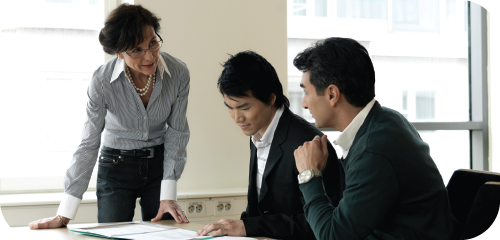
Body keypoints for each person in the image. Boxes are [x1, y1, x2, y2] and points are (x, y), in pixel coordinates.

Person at [29, 4, 190, 229]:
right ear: (119, 52)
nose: (150, 55)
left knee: (164, 233)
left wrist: (169, 195)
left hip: (159, 166)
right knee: (114, 234)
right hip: (116, 167)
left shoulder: (179, 73)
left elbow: (177, 133)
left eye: (152, 42)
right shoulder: (102, 82)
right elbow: (89, 142)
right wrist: (64, 214)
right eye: (137, 49)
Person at [293, 37, 457, 239]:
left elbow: (332, 236)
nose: (304, 104)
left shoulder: (373, 149)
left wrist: (309, 175)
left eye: (306, 92)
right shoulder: (386, 120)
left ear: (332, 94)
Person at [196, 51, 343, 239]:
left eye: (244, 108)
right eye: (230, 108)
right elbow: (257, 210)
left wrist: (247, 227)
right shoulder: (257, 133)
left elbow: (319, 223)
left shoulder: (307, 142)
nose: (237, 117)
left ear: (271, 98)